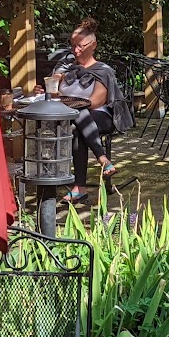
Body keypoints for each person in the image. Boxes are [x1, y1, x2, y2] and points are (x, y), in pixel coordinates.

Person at [56, 18, 126, 203]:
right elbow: (52, 91)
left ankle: (79, 186)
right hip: (70, 117)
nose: (75, 50)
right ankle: (102, 159)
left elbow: (94, 102)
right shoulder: (66, 68)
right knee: (75, 124)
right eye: (73, 45)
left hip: (100, 116)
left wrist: (68, 102)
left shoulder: (103, 71)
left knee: (78, 119)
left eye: (80, 46)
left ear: (93, 45)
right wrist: (46, 89)